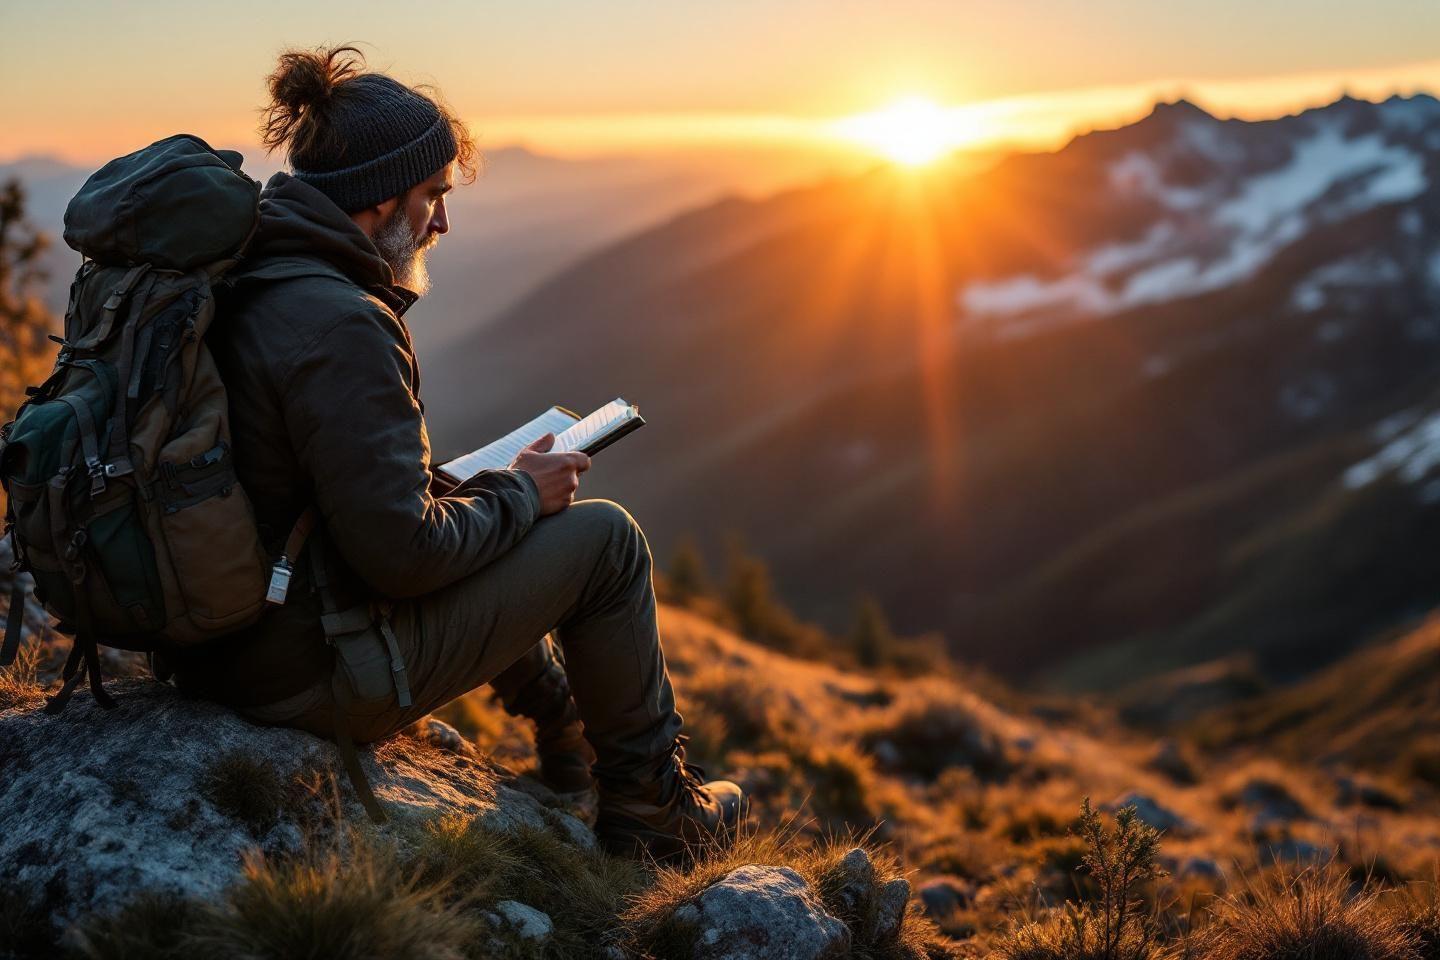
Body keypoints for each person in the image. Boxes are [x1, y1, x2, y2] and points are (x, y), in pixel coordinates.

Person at [168, 44, 744, 861]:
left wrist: (490, 492)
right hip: (306, 673)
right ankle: (655, 813)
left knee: (485, 502)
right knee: (607, 543)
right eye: (433, 195)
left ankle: (564, 727)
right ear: (378, 199)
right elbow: (402, 558)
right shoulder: (341, 325)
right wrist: (521, 495)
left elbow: (323, 493)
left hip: (233, 643)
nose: (443, 222)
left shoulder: (258, 272)